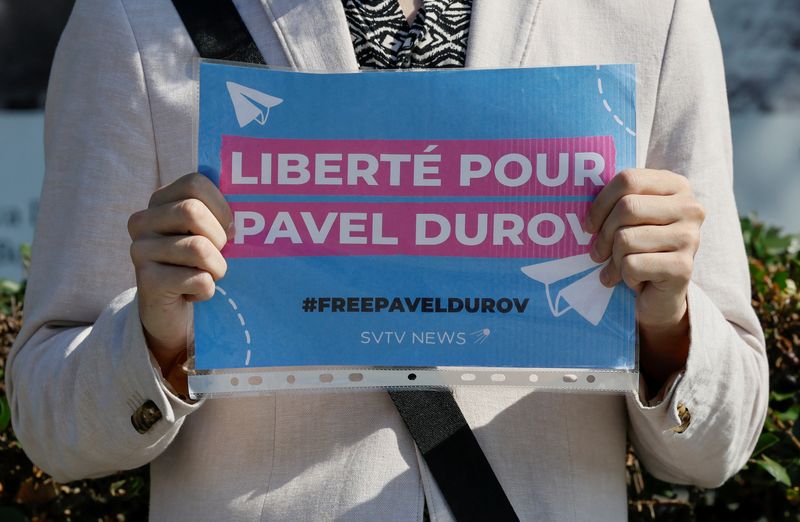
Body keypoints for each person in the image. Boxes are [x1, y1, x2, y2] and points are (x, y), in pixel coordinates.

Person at [6, 0, 769, 520]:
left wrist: (666, 322)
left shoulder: (649, 15)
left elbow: (717, 447)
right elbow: (51, 421)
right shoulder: (137, 19)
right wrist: (156, 340)